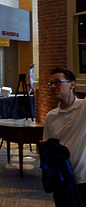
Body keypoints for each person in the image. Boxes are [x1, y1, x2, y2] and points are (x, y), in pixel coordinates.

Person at [43, 67, 86, 205]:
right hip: (63, 180)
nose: (53, 86)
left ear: (72, 84)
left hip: (84, 179)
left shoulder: (84, 107)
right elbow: (48, 147)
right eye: (51, 83)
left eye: (57, 82)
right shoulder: (51, 116)